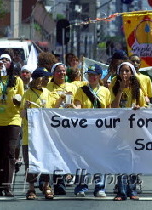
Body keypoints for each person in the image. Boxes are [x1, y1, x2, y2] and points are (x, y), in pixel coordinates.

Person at [0, 53, 24, 196]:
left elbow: (22, 100)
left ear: (11, 64)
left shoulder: (17, 80)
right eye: (1, 60)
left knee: (9, 153)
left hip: (12, 120)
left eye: (7, 60)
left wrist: (18, 101)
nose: (4, 62)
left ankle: (7, 187)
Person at [73, 64, 111, 198]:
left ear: (99, 76)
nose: (92, 77)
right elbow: (78, 106)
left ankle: (100, 186)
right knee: (83, 158)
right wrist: (73, 107)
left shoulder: (105, 91)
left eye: (94, 75)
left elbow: (109, 110)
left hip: (101, 130)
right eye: (89, 74)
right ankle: (81, 186)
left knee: (100, 158)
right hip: (85, 130)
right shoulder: (81, 90)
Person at [111, 62, 144, 201]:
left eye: (127, 71)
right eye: (122, 71)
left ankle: (132, 189)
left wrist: (138, 107)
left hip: (134, 129)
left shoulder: (138, 90)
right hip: (119, 129)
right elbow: (113, 106)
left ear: (131, 73)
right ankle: (121, 191)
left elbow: (144, 109)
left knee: (133, 161)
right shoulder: (114, 87)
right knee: (121, 159)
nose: (124, 74)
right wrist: (120, 90)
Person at [20, 67, 55, 200]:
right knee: (30, 163)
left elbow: (52, 111)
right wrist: (27, 108)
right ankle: (31, 188)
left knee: (46, 160)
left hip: (45, 135)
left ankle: (46, 186)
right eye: (45, 77)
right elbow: (22, 114)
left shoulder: (47, 92)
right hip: (30, 135)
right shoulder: (28, 93)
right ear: (39, 79)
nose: (48, 79)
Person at [46, 62, 78, 195]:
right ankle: (58, 182)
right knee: (55, 153)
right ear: (53, 73)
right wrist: (61, 98)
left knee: (68, 153)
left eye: (64, 71)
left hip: (69, 125)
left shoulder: (72, 86)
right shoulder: (47, 87)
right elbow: (48, 108)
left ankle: (66, 177)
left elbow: (79, 103)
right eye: (59, 71)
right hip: (54, 125)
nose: (62, 73)